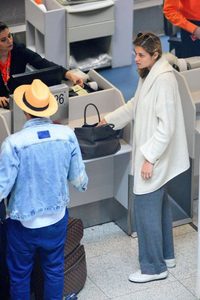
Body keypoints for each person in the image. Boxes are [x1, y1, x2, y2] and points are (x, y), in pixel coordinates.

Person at [98, 32, 190, 283]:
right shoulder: (149, 74)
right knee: (159, 206)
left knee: (145, 209)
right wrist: (109, 119)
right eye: (135, 54)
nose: (135, 59)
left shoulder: (163, 80)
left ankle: (153, 267)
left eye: (140, 55)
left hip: (155, 155)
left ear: (155, 55)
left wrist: (149, 158)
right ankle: (167, 255)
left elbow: (166, 126)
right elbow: (134, 105)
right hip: (156, 154)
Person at [0, 78, 88, 299]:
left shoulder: (13, 143)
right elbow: (80, 181)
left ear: (25, 111)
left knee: (20, 274)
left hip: (23, 224)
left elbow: (2, 188)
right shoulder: (67, 135)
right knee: (54, 269)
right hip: (56, 219)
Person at [0, 21, 84, 108]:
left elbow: (42, 63)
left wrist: (68, 74)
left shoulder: (18, 50)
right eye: (3, 40)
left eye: (10, 36)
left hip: (17, 99)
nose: (9, 41)